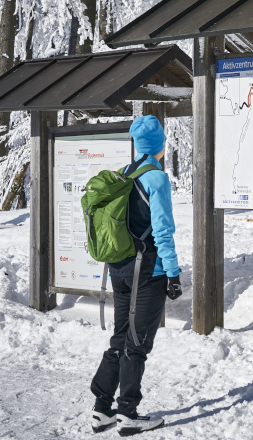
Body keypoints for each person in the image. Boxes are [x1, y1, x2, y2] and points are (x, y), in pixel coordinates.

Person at [89, 115, 184, 436]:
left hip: (120, 269)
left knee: (120, 336)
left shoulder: (125, 174)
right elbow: (163, 230)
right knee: (137, 343)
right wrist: (172, 273)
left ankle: (102, 410)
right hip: (148, 271)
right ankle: (128, 413)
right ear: (160, 145)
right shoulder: (155, 178)